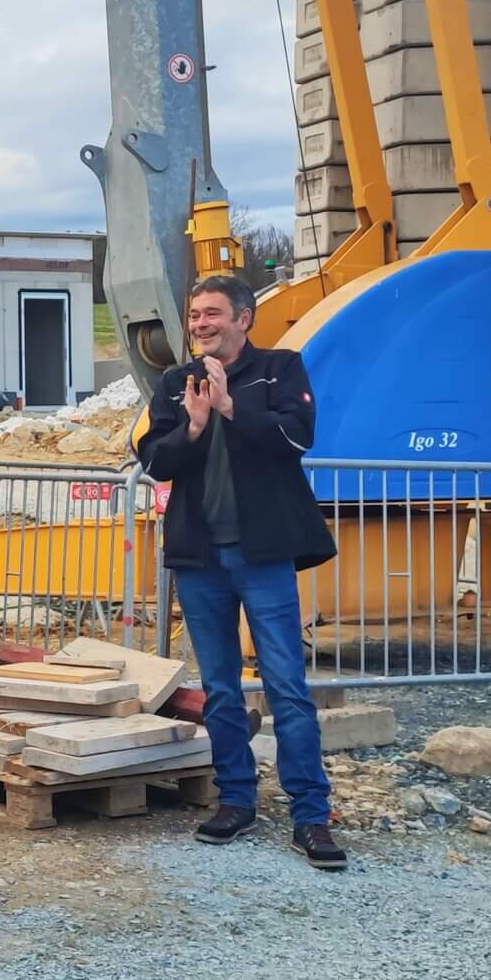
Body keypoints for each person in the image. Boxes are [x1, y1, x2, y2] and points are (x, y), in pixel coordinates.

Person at [134, 274, 346, 871]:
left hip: (264, 554)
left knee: (287, 688)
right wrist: (197, 424)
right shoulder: (176, 383)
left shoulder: (281, 369)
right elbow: (155, 459)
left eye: (212, 314)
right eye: (195, 315)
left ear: (243, 318)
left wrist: (230, 406)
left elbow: (296, 438)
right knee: (222, 689)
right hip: (201, 559)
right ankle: (236, 800)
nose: (201, 324)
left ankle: (311, 814)